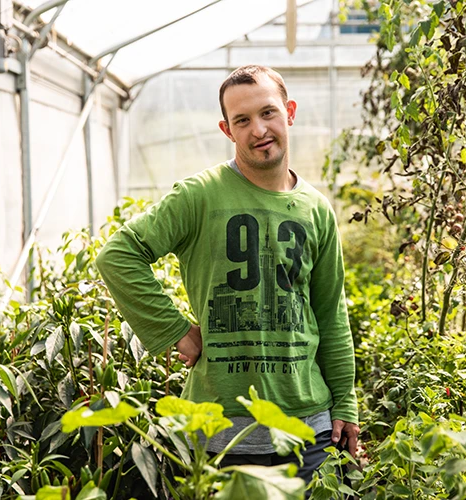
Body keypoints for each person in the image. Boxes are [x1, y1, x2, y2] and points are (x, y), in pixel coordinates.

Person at [95, 65, 359, 483]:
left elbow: (330, 314)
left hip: (310, 431)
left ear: (289, 112)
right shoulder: (200, 195)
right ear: (227, 129)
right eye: (242, 120)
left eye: (268, 113)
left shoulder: (316, 208)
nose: (258, 130)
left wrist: (345, 403)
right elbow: (119, 254)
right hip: (223, 435)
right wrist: (174, 329)